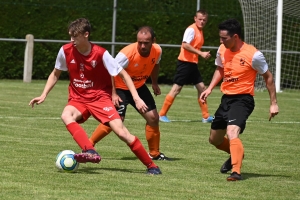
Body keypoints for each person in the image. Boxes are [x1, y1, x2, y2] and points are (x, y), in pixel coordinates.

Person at [28, 18, 162, 175]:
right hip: (78, 98)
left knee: (122, 132)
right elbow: (55, 73)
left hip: (100, 98)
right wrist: (44, 94)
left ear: (86, 34)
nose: (72, 41)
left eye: (75, 37)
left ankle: (152, 166)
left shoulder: (101, 54)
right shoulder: (65, 51)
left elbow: (123, 74)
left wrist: (136, 98)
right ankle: (90, 150)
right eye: (70, 36)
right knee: (66, 115)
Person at [200, 19, 279, 181]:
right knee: (214, 139)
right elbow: (220, 68)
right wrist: (209, 88)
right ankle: (236, 153)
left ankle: (236, 171)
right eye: (220, 38)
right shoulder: (222, 49)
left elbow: (268, 77)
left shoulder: (254, 55)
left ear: (235, 36)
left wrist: (273, 103)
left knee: (232, 131)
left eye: (224, 38)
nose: (221, 41)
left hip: (243, 99)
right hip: (226, 99)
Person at [89, 26, 171, 161]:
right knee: (115, 120)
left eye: (146, 42)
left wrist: (154, 83)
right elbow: (110, 71)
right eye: (140, 42)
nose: (143, 46)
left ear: (154, 41)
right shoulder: (126, 55)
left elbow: (156, 64)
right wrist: (113, 94)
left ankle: (154, 154)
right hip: (120, 87)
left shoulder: (157, 50)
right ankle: (89, 144)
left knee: (153, 118)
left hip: (139, 86)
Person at [159, 9, 214, 123]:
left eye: (204, 20)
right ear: (195, 18)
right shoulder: (191, 30)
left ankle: (205, 116)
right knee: (176, 89)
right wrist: (201, 53)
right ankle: (162, 114)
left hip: (192, 64)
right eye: (200, 19)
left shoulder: (200, 31)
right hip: (184, 63)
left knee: (202, 88)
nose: (202, 22)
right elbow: (185, 45)